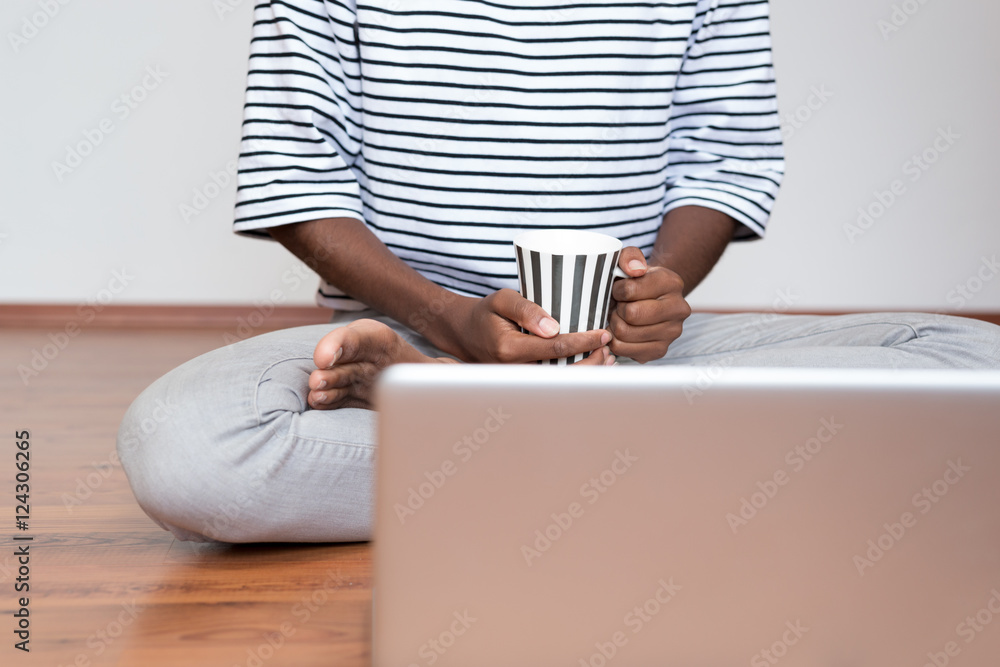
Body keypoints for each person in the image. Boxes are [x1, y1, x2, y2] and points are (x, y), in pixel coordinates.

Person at [117, 0, 1000, 543]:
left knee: (974, 362)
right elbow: (294, 178)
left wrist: (663, 287)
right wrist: (448, 323)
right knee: (186, 446)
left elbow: (721, 162)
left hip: (628, 362)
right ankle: (663, 466)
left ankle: (488, 436)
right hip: (402, 346)